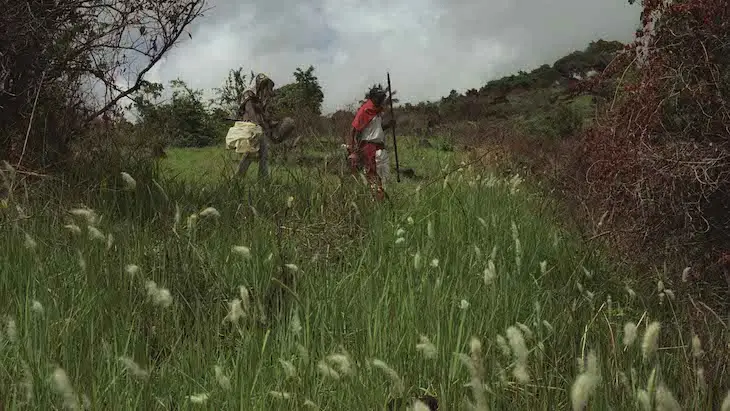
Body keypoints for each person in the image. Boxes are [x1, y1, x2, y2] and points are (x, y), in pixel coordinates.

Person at [225, 73, 295, 179]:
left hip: (259, 129)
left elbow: (263, 116)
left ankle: (262, 179)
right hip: (250, 128)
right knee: (250, 153)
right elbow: (251, 111)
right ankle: (238, 178)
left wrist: (272, 123)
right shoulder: (249, 94)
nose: (266, 90)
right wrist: (260, 123)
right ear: (259, 84)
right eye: (265, 86)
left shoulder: (260, 99)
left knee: (264, 155)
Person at [347, 85, 394, 201]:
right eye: (379, 98)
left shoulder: (378, 112)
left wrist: (389, 125)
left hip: (381, 148)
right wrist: (352, 149)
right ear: (372, 98)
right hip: (369, 147)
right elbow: (353, 129)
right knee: (373, 177)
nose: (381, 100)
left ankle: (381, 201)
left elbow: (377, 129)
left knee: (385, 178)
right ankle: (375, 202)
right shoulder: (365, 110)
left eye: (382, 98)